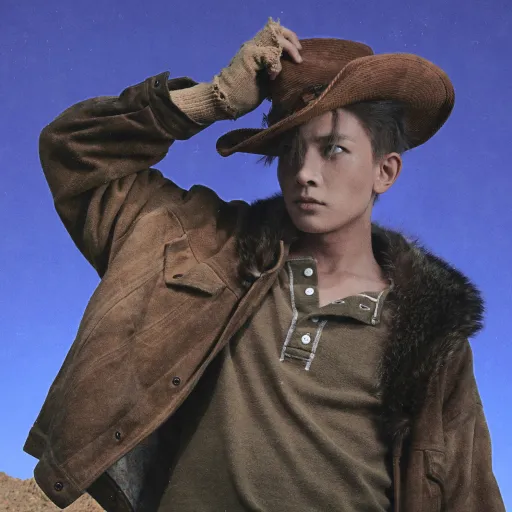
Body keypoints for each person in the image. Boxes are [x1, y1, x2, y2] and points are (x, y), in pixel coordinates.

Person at [24, 18, 504, 512]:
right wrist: (212, 100)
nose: (305, 173)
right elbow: (71, 151)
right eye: (289, 152)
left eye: (333, 149)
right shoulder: (205, 246)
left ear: (386, 170)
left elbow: (468, 496)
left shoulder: (430, 338)